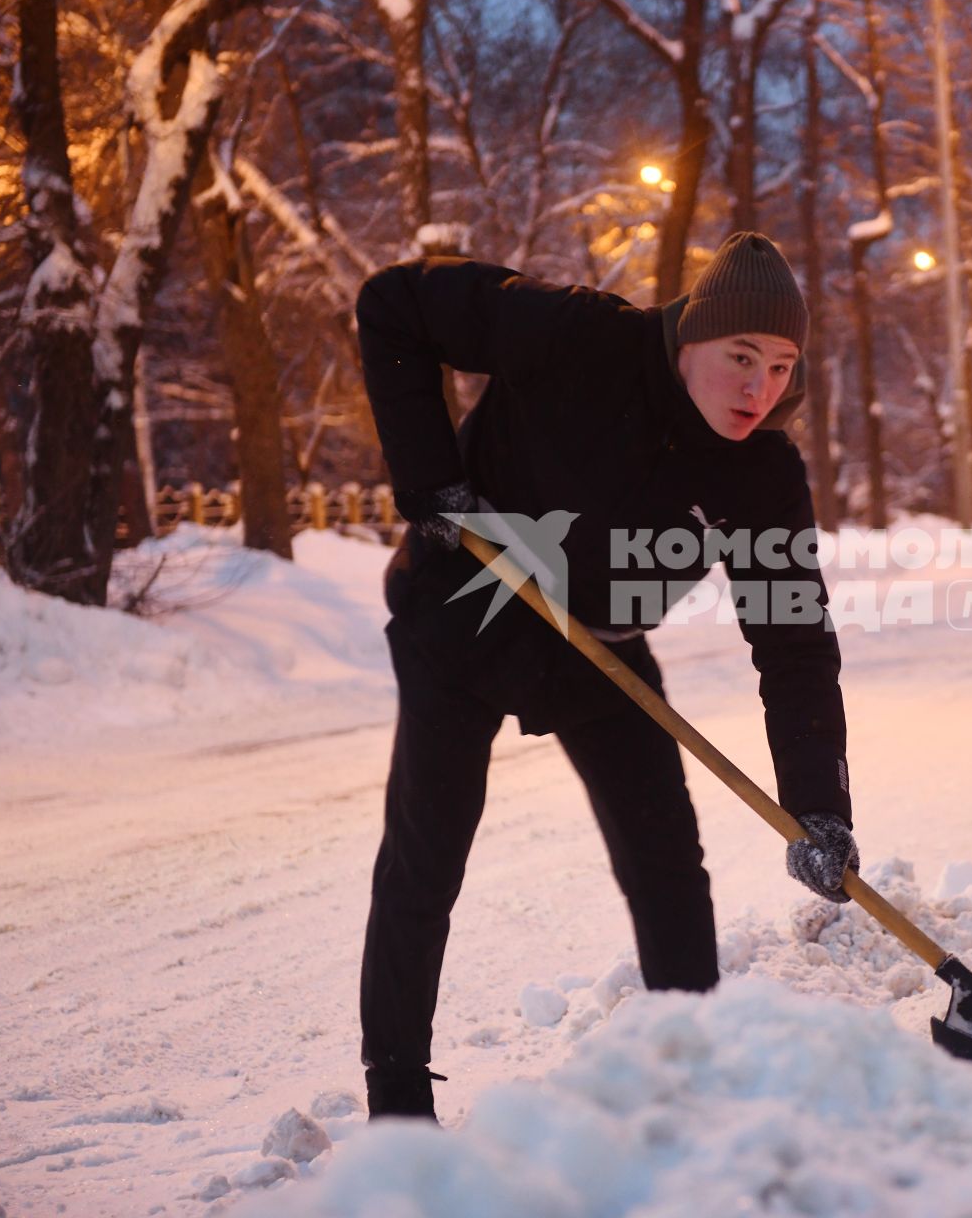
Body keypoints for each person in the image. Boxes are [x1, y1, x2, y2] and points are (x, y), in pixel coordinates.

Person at [354, 232, 859, 1120]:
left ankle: (691, 1069)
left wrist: (819, 804)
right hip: (465, 599)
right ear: (688, 336)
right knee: (427, 852)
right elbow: (394, 303)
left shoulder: (761, 472)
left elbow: (793, 640)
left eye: (781, 367)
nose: (759, 389)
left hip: (597, 641)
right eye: (741, 358)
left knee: (666, 856)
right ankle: (397, 1100)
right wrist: (432, 485)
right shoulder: (577, 336)